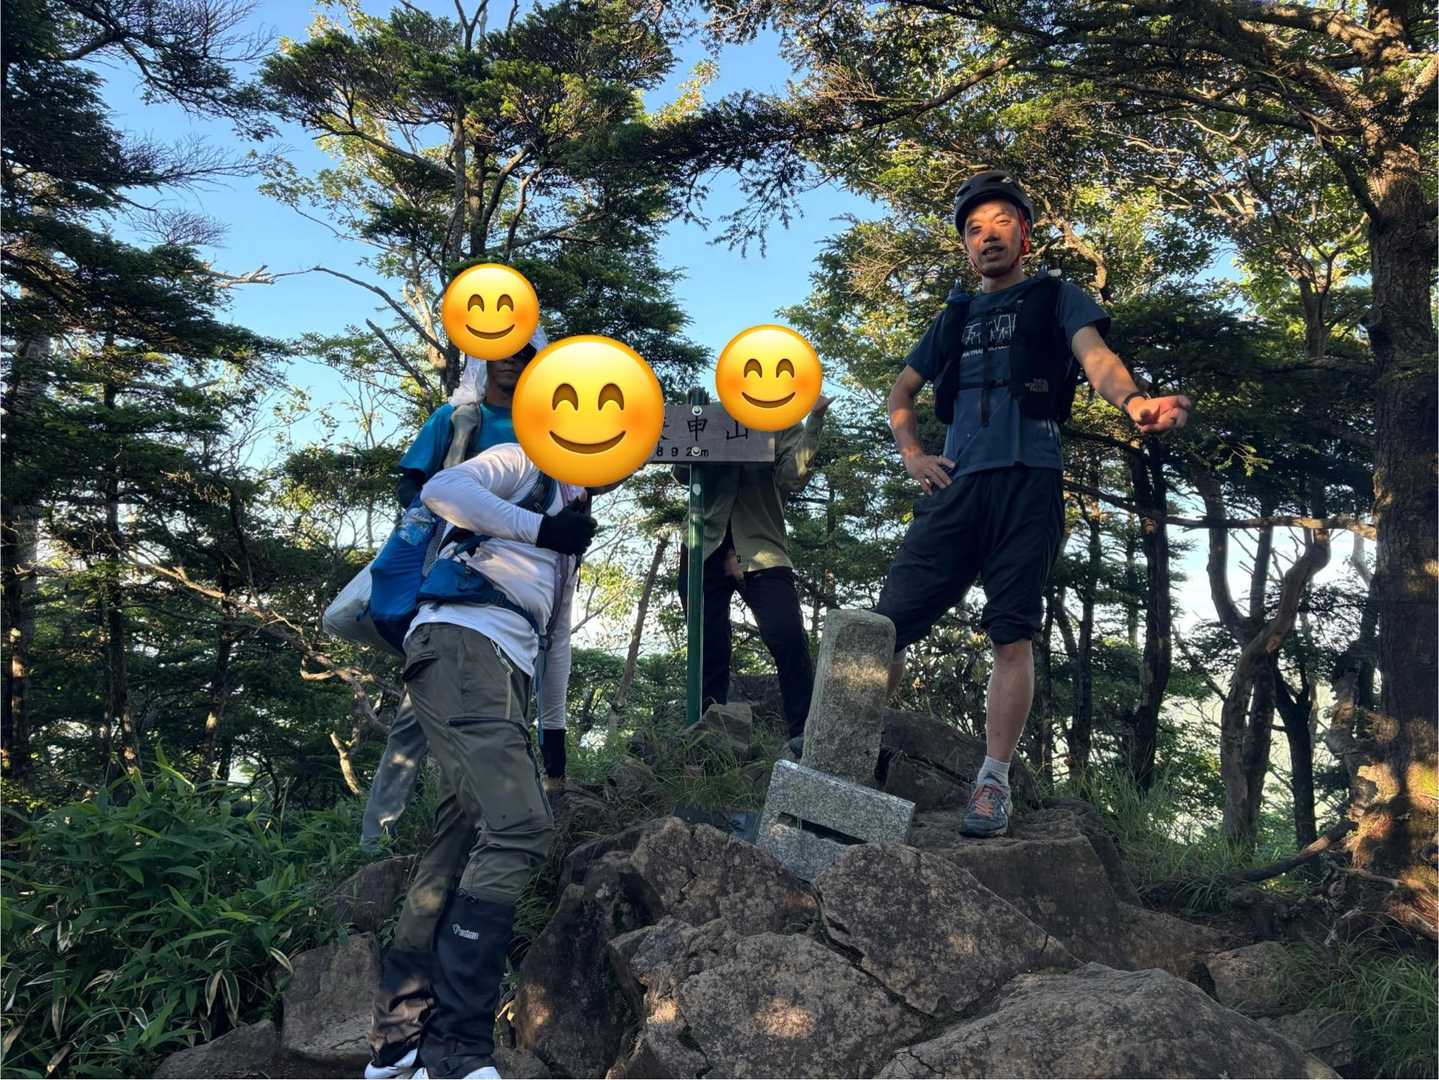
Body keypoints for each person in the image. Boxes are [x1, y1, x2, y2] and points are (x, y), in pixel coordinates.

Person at [874, 170, 1192, 839]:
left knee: (1011, 633)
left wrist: (1134, 402)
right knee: (884, 628)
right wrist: (913, 455)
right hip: (955, 485)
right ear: (965, 246)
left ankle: (992, 783)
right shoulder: (953, 316)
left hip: (1029, 480)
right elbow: (900, 393)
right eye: (973, 229)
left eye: (1000, 223)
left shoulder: (1056, 297)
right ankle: (845, 748)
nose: (986, 236)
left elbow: (1096, 358)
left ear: (1025, 233)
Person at [363, 378, 599, 1080]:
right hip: (465, 645)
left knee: (457, 838)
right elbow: (444, 490)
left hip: (499, 669)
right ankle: (457, 1050)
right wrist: (540, 529)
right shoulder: (526, 460)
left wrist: (554, 744)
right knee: (520, 829)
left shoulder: (572, 513)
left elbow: (556, 639)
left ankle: (398, 1040)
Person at [360, 330, 570, 851]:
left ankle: (462, 835)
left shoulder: (543, 430)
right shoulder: (456, 418)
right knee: (416, 718)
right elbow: (416, 485)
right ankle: (377, 839)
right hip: (452, 579)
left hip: (515, 589)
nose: (513, 361)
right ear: (483, 360)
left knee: (487, 720)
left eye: (525, 354)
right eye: (503, 353)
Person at [674, 394, 830, 746]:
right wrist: (699, 428)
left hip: (762, 547)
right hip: (703, 544)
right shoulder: (713, 414)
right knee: (707, 645)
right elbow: (682, 472)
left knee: (787, 636)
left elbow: (792, 477)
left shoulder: (783, 421)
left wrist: (815, 420)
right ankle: (706, 741)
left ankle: (806, 736)